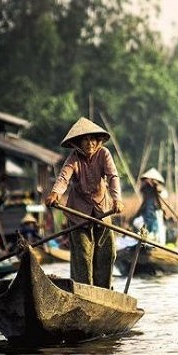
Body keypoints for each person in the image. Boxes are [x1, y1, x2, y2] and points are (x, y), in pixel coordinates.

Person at [45, 117, 124, 289]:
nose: (89, 143)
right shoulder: (74, 158)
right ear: (78, 143)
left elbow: (113, 177)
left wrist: (117, 199)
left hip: (103, 212)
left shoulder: (104, 154)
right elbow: (63, 177)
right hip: (78, 213)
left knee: (107, 252)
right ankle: (83, 291)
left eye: (92, 139)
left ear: (98, 141)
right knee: (82, 255)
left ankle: (103, 291)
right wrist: (55, 193)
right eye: (85, 139)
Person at [136, 168, 168, 244]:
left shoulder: (158, 189)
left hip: (155, 212)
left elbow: (163, 194)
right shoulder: (145, 189)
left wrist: (155, 184)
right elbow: (142, 191)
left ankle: (155, 242)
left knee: (156, 230)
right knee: (141, 224)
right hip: (147, 211)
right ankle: (147, 241)